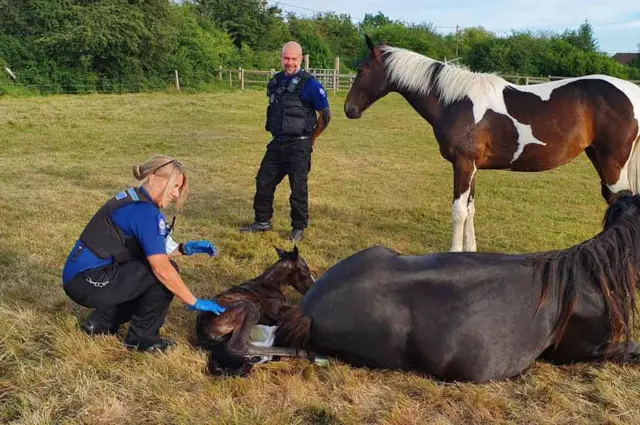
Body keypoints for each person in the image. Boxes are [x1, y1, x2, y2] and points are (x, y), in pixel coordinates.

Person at [62, 155, 225, 352]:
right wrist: (193, 301)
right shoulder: (144, 212)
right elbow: (161, 267)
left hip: (81, 278)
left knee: (144, 272)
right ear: (154, 178)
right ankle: (143, 339)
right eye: (174, 186)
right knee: (163, 274)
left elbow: (153, 251)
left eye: (178, 188)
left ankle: (100, 323)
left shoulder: (133, 199)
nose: (175, 194)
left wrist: (184, 248)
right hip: (88, 282)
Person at [240, 41, 331, 242]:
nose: (289, 62)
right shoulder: (275, 81)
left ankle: (298, 227)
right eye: (286, 58)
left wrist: (312, 139)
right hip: (277, 143)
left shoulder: (311, 84)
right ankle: (262, 221)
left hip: (299, 143)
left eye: (293, 59)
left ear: (301, 59)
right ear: (281, 58)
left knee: (298, 187)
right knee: (263, 180)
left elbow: (325, 115)